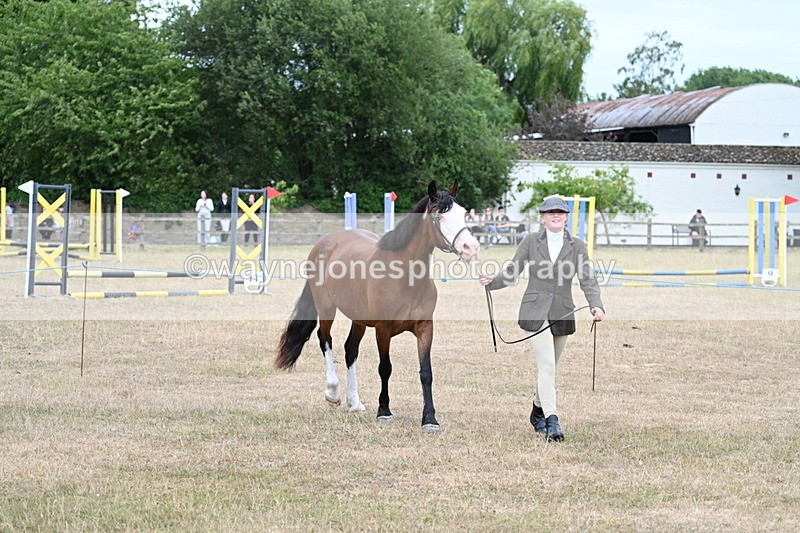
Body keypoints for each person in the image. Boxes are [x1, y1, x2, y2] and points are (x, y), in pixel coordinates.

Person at [479, 195, 605, 442]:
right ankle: (552, 419)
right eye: (550, 212)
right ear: (543, 217)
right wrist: (492, 282)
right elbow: (513, 272)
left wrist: (596, 305)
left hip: (563, 311)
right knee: (547, 365)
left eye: (560, 212)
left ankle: (537, 408)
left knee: (550, 368)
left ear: (566, 217)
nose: (555, 215)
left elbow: (587, 278)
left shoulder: (578, 246)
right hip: (534, 311)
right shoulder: (530, 241)